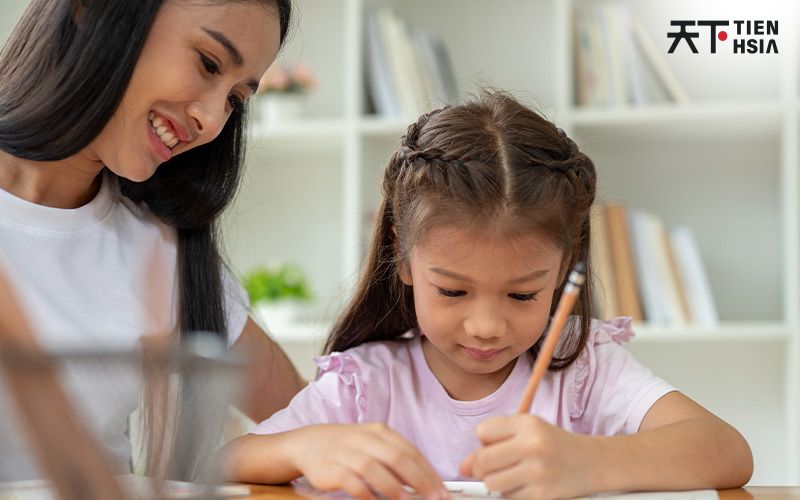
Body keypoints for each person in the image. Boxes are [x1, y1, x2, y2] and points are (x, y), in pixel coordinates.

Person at [221, 91, 754, 500]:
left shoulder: (584, 369)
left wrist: (587, 462)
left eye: (522, 295)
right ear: (401, 256)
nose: (485, 326)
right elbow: (219, 463)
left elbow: (727, 450)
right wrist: (304, 445)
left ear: (564, 267)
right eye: (452, 290)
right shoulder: (364, 386)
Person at [0, 0, 305, 480]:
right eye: (208, 63)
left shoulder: (159, 246)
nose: (212, 120)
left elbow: (308, 417)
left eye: (235, 99)